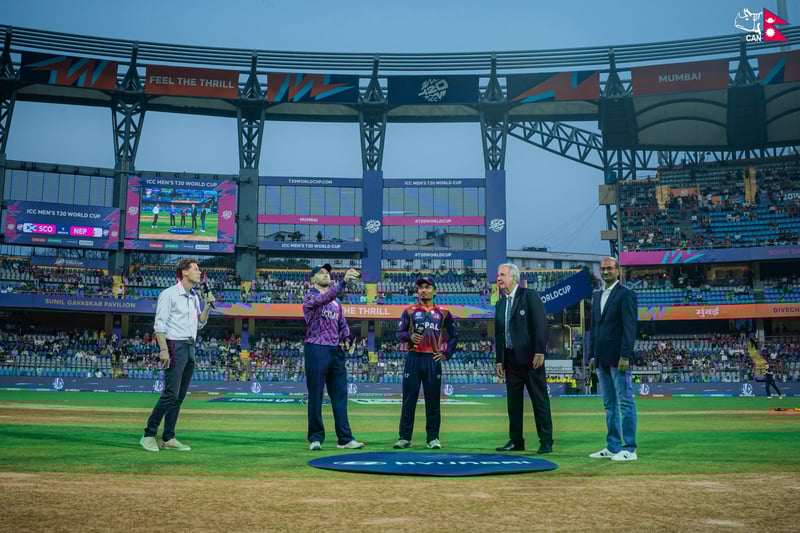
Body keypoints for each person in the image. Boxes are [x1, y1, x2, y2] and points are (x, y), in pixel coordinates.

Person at [140, 258, 215, 452]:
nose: (200, 273)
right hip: (174, 345)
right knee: (170, 394)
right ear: (184, 272)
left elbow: (200, 324)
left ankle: (168, 438)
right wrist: (163, 349)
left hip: (190, 346)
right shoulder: (169, 294)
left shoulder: (194, 297)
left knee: (179, 397)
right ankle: (148, 434)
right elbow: (160, 323)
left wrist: (207, 306)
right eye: (196, 269)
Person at [303, 263, 364, 451]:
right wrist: (343, 283)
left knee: (340, 395)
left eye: (328, 273)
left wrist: (347, 338)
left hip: (335, 351)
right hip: (316, 347)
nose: (326, 275)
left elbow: (342, 323)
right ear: (313, 279)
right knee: (316, 394)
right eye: (321, 273)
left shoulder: (337, 303)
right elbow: (324, 298)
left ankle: (344, 438)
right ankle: (315, 437)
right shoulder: (310, 297)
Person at [494, 263, 553, 454]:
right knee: (513, 403)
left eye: (502, 274)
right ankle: (516, 440)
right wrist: (499, 360)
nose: (499, 278)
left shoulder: (529, 296)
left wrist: (539, 351)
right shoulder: (500, 303)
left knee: (539, 400)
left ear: (514, 278)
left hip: (531, 359)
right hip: (510, 360)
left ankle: (545, 440)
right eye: (498, 275)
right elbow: (499, 335)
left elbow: (541, 325)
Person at [393, 276, 458, 450]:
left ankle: (433, 438)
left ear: (434, 291)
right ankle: (404, 438)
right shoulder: (409, 311)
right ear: (417, 291)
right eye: (420, 287)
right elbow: (398, 333)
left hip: (432, 359)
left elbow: (454, 335)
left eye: (427, 287)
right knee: (409, 400)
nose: (423, 290)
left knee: (433, 401)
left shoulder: (444, 313)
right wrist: (409, 336)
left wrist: (446, 354)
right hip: (413, 358)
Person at [587, 257, 639, 462]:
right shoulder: (597, 295)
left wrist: (625, 355)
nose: (605, 271)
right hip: (601, 357)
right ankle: (613, 446)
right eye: (602, 269)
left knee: (625, 402)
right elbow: (594, 328)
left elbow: (630, 328)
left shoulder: (626, 294)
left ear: (618, 271)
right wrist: (592, 354)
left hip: (619, 358)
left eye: (609, 268)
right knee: (609, 405)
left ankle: (630, 448)